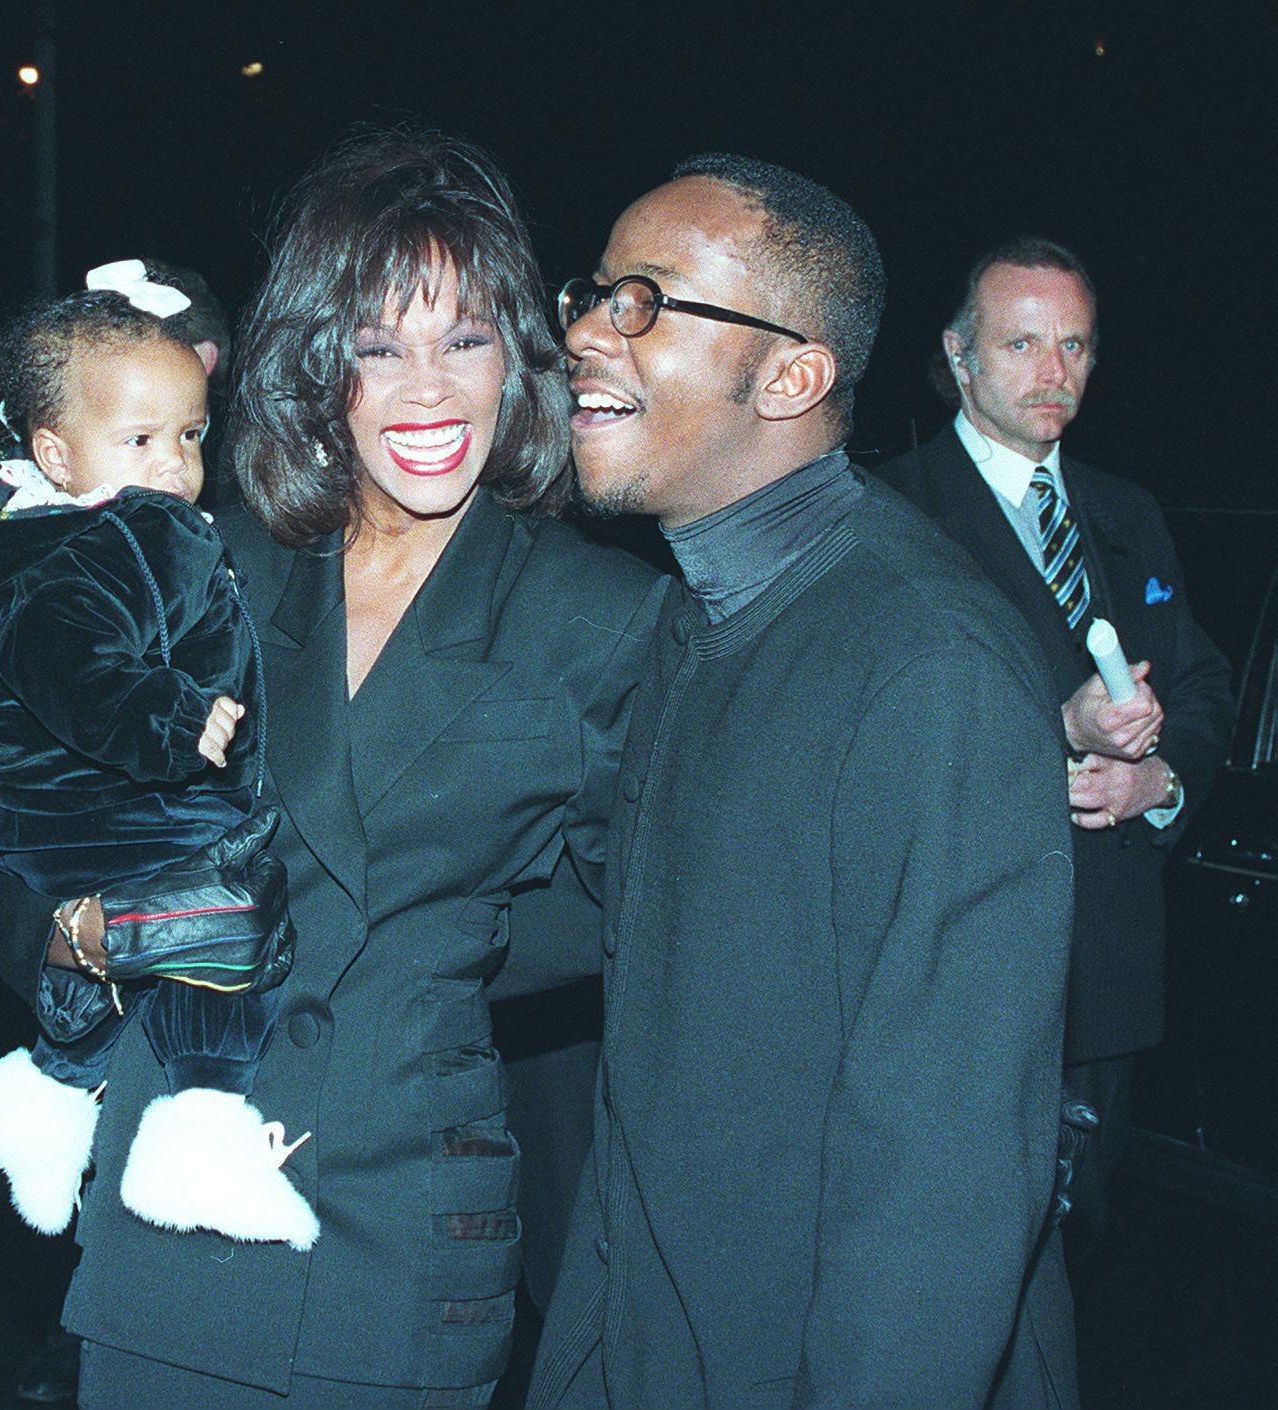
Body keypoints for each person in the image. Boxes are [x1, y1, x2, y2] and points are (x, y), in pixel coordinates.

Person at [0, 130, 669, 1408]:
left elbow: (637, 915)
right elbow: (12, 825)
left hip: (398, 1225)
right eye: (378, 346)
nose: (427, 391)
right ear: (316, 368)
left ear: (520, 357)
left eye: (465, 339)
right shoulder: (196, 561)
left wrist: (430, 957)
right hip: (169, 1192)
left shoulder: (605, 619)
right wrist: (87, 937)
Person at [529, 156, 1080, 1408]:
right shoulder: (703, 612)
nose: (582, 334)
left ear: (792, 375)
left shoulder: (926, 665)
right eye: (596, 293)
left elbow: (944, 1190)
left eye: (645, 302)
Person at [0, 271, 316, 1251]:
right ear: (55, 453)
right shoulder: (113, 545)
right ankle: (180, 1127)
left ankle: (62, 1091)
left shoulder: (75, 534)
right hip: (111, 818)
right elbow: (76, 666)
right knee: (236, 925)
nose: (175, 465)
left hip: (87, 825)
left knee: (212, 937)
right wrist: (166, 721)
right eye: (140, 439)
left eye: (189, 436)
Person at [879, 239, 1234, 1276]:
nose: (1053, 371)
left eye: (1074, 344)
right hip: (955, 970)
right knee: (941, 1276)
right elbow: (876, 736)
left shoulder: (1128, 514)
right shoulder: (890, 515)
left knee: (1068, 1278)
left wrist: (1158, 781)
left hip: (1106, 975)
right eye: (1023, 342)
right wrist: (1057, 731)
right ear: (959, 356)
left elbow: (1203, 688)